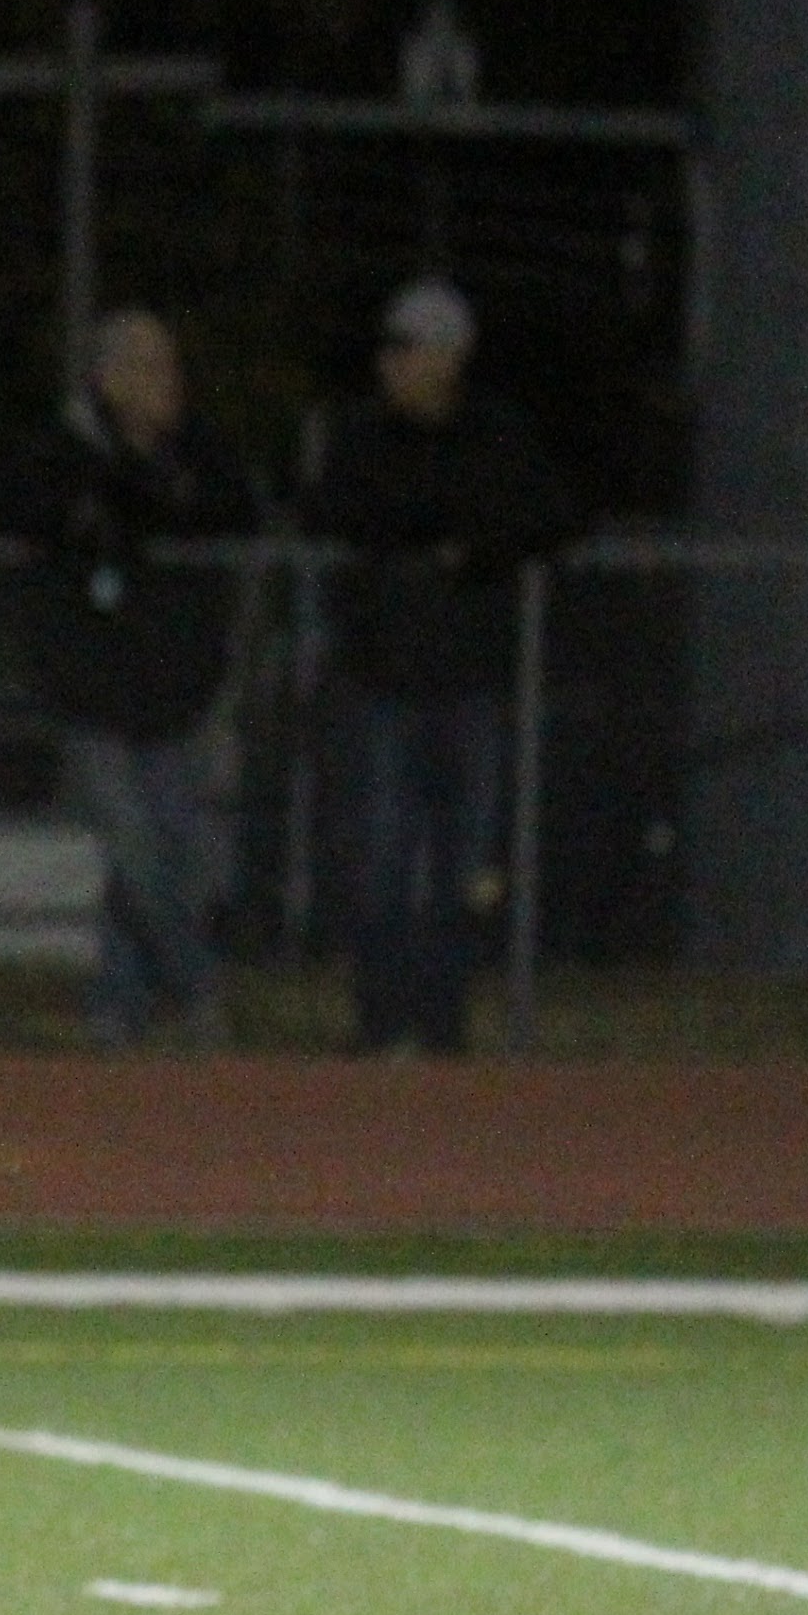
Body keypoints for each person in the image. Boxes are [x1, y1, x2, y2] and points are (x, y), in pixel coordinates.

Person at [307, 277, 574, 1057]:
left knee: (466, 864)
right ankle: (381, 1019)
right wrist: (441, 530)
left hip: (468, 680)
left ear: (451, 356)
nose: (393, 363)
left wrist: (473, 547)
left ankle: (444, 1020)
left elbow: (551, 515)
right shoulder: (361, 434)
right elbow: (334, 511)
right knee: (383, 859)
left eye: (410, 348)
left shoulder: (496, 433)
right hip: (383, 677)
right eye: (391, 349)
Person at [0, 307, 262, 1047]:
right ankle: (198, 988)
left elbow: (235, 511)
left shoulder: (198, 451)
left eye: (170, 365)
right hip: (95, 691)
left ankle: (120, 1003)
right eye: (148, 366)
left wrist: (148, 500)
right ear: (108, 379)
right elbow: (18, 507)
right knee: (135, 847)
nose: (167, 382)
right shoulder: (66, 449)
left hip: (178, 689)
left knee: (173, 851)